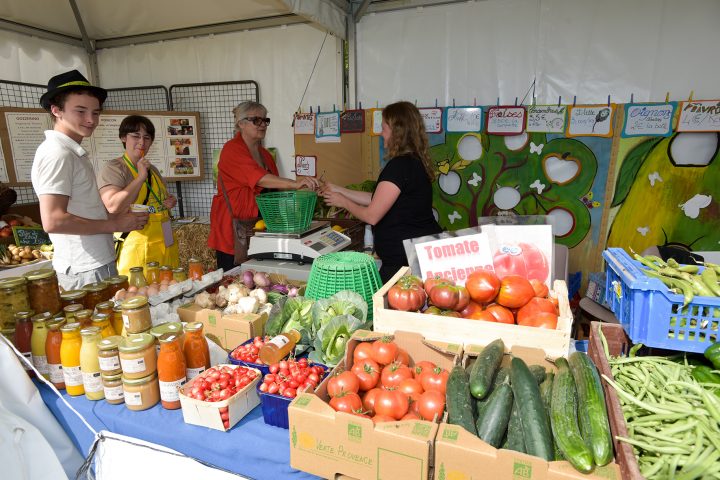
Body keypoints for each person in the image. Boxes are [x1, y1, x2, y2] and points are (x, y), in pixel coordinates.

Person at [31, 70, 148, 290]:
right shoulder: (58, 153)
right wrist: (113, 224)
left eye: (95, 112)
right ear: (56, 110)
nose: (90, 120)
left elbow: (83, 207)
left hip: (94, 263)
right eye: (80, 111)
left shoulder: (72, 152)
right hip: (84, 269)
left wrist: (118, 216)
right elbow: (53, 220)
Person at [321, 101, 442, 283]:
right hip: (412, 255)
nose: (380, 133)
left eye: (384, 127)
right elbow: (379, 199)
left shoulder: (399, 166)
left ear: (397, 131)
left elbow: (372, 216)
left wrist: (343, 202)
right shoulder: (413, 162)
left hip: (404, 262)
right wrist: (338, 190)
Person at [208, 101, 319, 271]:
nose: (262, 125)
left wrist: (307, 188)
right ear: (241, 124)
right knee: (233, 278)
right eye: (256, 120)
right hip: (234, 229)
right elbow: (259, 178)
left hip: (259, 228)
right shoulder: (232, 149)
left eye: (265, 120)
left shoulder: (265, 154)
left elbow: (275, 187)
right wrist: (296, 183)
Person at [97, 115, 179, 276]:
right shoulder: (114, 168)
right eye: (135, 136)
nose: (142, 142)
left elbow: (158, 199)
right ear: (123, 137)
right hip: (136, 244)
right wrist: (140, 177)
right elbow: (113, 206)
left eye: (147, 137)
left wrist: (169, 201)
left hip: (164, 241)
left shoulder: (152, 169)